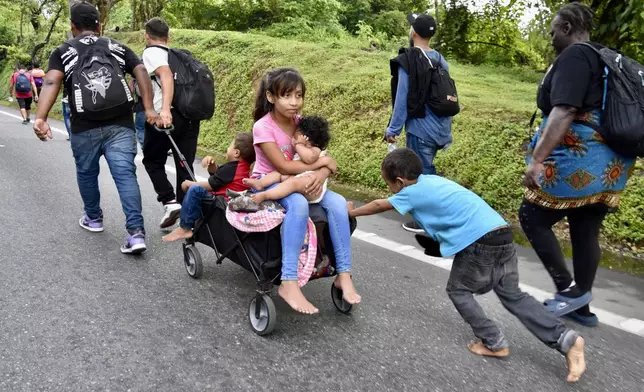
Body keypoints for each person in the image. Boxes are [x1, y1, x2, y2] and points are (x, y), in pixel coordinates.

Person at [348, 148, 586, 383]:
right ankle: (567, 340)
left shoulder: (411, 192)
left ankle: (494, 342)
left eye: (389, 184)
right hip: (501, 233)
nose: (391, 190)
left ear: (399, 181)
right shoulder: (432, 181)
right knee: (513, 295)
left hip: (480, 242)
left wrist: (351, 212)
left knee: (458, 290)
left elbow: (380, 205)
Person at [520, 2, 636, 326]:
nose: (551, 35)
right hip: (612, 164)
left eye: (554, 29)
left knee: (531, 215)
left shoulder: (575, 55)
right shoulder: (603, 57)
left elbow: (564, 110)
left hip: (580, 159)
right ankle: (581, 309)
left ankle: (569, 291)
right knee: (585, 228)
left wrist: (537, 160)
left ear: (568, 28)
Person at [32, 1, 157, 254]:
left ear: (72, 26)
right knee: (125, 175)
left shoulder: (63, 50)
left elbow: (52, 80)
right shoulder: (116, 46)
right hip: (121, 123)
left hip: (83, 126)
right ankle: (136, 233)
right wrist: (150, 108)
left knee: (87, 173)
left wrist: (41, 117)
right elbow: (141, 70)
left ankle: (93, 218)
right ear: (99, 25)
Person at [252, 67, 360, 314]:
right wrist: (321, 165)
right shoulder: (263, 127)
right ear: (271, 97)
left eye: (298, 95)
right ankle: (288, 281)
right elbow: (282, 165)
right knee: (299, 204)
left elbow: (326, 159)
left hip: (305, 179)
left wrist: (320, 173)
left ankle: (343, 273)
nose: (294, 102)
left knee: (338, 202)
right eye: (287, 96)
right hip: (271, 179)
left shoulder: (302, 124)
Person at [386, 13, 453, 234]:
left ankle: (429, 221)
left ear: (413, 32)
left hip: (421, 128)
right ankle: (432, 216)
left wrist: (393, 129)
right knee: (427, 170)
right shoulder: (440, 59)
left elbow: (402, 97)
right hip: (440, 128)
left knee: (422, 175)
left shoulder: (411, 59)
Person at [141, 17, 200, 229]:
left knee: (152, 161)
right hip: (190, 117)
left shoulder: (151, 53)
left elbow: (164, 75)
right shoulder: (179, 56)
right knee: (184, 165)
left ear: (147, 35)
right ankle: (188, 220)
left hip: (165, 118)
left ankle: (169, 201)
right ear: (168, 37)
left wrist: (164, 109)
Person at [163, 133, 255, 242]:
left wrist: (189, 183)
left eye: (230, 146)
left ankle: (185, 227)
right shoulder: (241, 168)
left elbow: (211, 185)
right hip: (229, 204)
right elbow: (219, 179)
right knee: (196, 189)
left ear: (236, 152)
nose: (228, 148)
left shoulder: (231, 169)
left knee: (195, 190)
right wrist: (212, 166)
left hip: (221, 206)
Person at [244, 115, 331, 204]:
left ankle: (265, 195)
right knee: (278, 174)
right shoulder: (263, 125)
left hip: (311, 186)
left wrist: (299, 145)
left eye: (296, 138)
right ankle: (260, 183)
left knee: (292, 183)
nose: (292, 141)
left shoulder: (315, 150)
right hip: (298, 177)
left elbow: (309, 159)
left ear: (310, 143)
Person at [128, 74, 146, 148]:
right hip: (156, 106)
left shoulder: (138, 78)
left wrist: (132, 80)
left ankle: (145, 147)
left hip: (142, 107)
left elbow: (130, 91)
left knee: (140, 128)